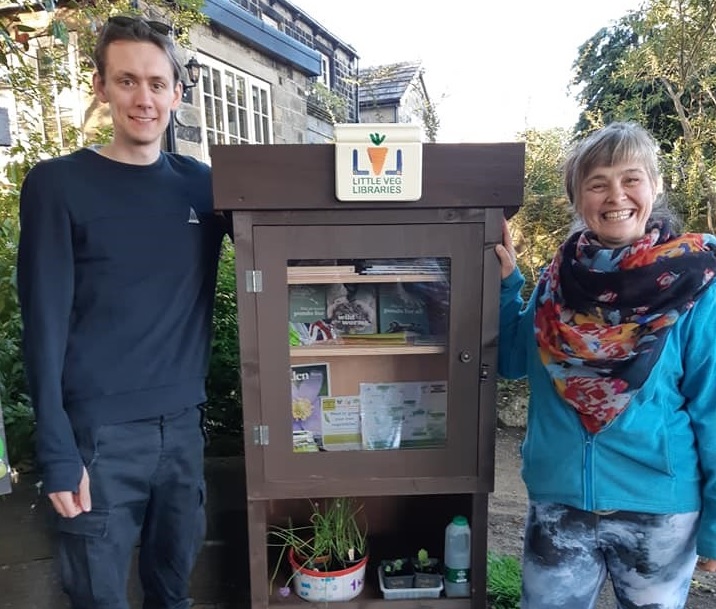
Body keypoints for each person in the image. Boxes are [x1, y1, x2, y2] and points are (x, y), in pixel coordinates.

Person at [17, 15, 227, 609]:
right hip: (97, 441)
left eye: (157, 84)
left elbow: (292, 233)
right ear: (101, 86)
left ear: (177, 95)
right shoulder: (58, 185)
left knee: (174, 596)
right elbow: (44, 322)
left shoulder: (204, 189)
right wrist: (57, 450)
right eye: (128, 81)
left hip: (183, 430)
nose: (144, 98)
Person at [495, 121, 716, 609]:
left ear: (654, 186)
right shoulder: (559, 281)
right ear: (578, 199)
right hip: (560, 503)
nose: (616, 194)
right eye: (597, 182)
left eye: (630, 177)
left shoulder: (696, 284)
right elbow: (513, 362)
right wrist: (510, 284)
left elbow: (713, 409)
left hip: (660, 513)